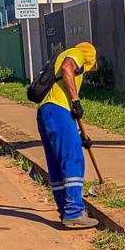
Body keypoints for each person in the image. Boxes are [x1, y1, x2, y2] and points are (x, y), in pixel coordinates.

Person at [36, 42, 99, 229]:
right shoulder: (78, 53)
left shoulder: (59, 58)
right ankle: (74, 213)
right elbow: (67, 68)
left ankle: (65, 209)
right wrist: (76, 100)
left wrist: (79, 137)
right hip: (58, 111)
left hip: (45, 112)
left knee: (56, 164)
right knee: (73, 159)